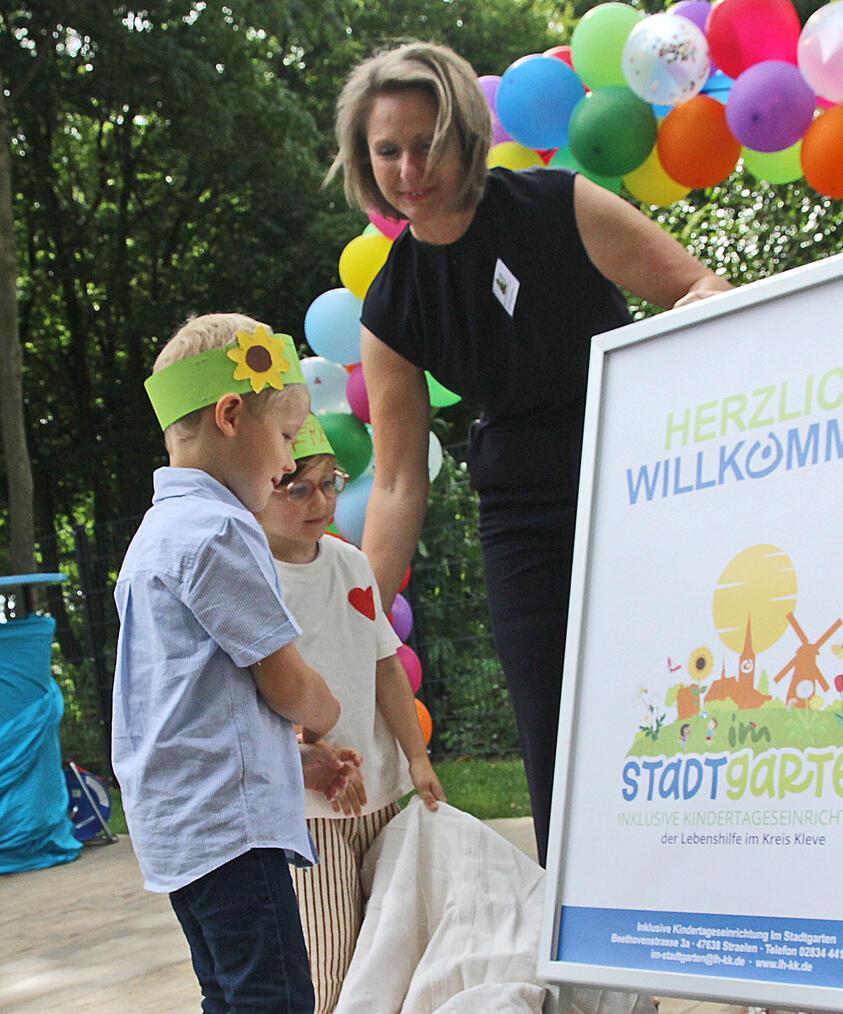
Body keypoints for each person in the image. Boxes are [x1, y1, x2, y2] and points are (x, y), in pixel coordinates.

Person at [328, 41, 731, 862]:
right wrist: (357, 631)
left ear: (466, 136)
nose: (411, 166)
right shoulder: (391, 305)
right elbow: (401, 486)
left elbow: (700, 288)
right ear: (365, 162)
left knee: (693, 703)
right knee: (557, 740)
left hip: (642, 481)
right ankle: (594, 975)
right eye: (389, 150)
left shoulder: (558, 204)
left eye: (428, 141)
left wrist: (699, 361)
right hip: (521, 515)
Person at [114, 313, 355, 1013]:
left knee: (230, 995)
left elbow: (196, 702)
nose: (288, 462)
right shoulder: (219, 529)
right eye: (283, 437)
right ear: (230, 415)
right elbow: (283, 681)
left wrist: (295, 762)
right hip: (229, 828)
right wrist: (326, 712)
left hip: (182, 825)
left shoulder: (153, 538)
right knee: (273, 999)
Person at [256, 414, 446, 1013]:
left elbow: (385, 663)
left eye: (329, 482)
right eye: (298, 487)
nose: (320, 500)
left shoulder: (350, 563)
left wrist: (415, 757)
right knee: (328, 952)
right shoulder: (253, 577)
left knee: (390, 938)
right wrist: (297, 749)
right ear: (261, 490)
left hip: (380, 787)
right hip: (308, 806)